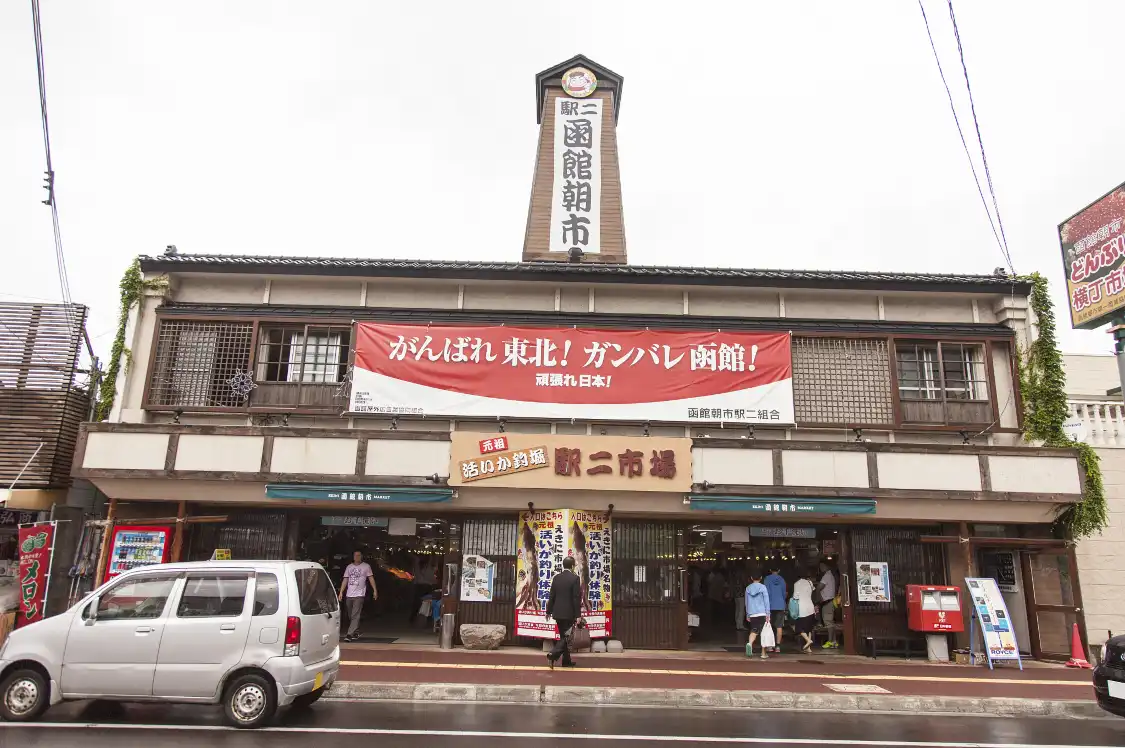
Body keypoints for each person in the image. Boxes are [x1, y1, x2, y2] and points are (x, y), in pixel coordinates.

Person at [546, 556, 583, 669]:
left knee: (563, 636)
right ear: (572, 566)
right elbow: (576, 598)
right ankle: (553, 654)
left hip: (557, 613)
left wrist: (548, 611)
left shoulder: (556, 578)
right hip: (569, 614)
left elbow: (552, 596)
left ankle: (566, 661)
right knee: (566, 637)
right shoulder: (575, 578)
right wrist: (578, 615)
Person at [338, 550, 377, 642]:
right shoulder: (349, 567)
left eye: (359, 555)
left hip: (359, 594)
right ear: (353, 557)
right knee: (351, 615)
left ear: (362, 556)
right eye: (355, 555)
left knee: (355, 614)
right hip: (349, 594)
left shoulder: (366, 566)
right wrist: (341, 592)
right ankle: (356, 631)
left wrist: (375, 590)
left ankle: (349, 634)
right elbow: (345, 580)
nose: (357, 557)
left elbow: (371, 578)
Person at [744, 570, 770, 660]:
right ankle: (763, 653)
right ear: (761, 578)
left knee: (754, 629)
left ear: (751, 578)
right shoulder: (763, 587)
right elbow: (766, 601)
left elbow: (746, 602)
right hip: (762, 612)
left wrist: (748, 614)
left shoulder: (748, 588)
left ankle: (750, 643)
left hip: (752, 613)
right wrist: (768, 613)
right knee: (764, 633)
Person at [792, 568, 817, 653]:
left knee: (799, 627)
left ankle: (808, 640)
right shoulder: (810, 582)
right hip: (810, 607)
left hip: (801, 608)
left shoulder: (796, 584)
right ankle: (808, 648)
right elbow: (813, 591)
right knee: (809, 628)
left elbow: (795, 597)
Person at [764, 565, 787, 654]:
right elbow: (784, 593)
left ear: (770, 570)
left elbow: (766, 592)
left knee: (769, 626)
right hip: (780, 605)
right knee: (779, 626)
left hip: (770, 605)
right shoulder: (782, 580)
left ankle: (770, 646)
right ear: (779, 570)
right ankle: (778, 647)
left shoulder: (767, 579)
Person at [817, 560, 838, 649]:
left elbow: (819, 587)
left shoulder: (827, 576)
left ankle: (830, 641)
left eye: (822, 566)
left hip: (827, 602)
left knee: (828, 622)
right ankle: (834, 641)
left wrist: (818, 595)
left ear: (827, 566)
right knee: (831, 622)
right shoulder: (831, 575)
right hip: (831, 601)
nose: (821, 568)